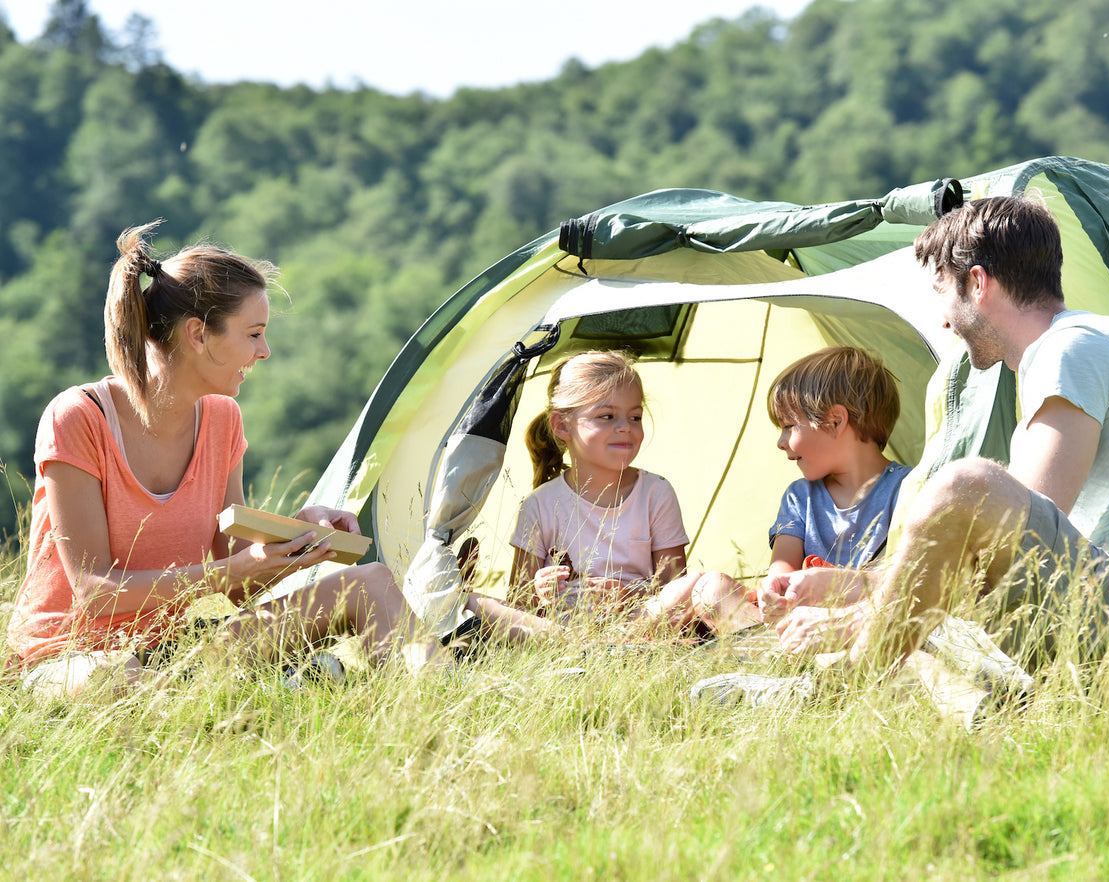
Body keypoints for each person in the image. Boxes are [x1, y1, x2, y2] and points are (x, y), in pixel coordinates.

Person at [761, 195, 1109, 670]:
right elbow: (993, 558)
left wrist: (866, 611)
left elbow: (1008, 549)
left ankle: (848, 678)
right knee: (928, 642)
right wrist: (856, 584)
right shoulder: (1085, 347)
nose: (942, 319)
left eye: (942, 293)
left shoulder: (1072, 349)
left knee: (965, 486)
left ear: (977, 283)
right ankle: (891, 687)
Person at [6, 221, 416, 697]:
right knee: (118, 679)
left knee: (372, 583)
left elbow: (236, 581)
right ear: (198, 335)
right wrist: (231, 572)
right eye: (254, 334)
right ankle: (279, 691)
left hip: (178, 650)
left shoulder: (223, 420)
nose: (264, 352)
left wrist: (298, 541)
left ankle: (432, 716)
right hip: (72, 657)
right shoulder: (77, 417)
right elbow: (93, 590)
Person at [691, 346, 913, 635]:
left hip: (862, 622)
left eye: (787, 427)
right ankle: (777, 651)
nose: (781, 442)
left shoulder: (909, 488)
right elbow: (781, 574)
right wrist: (774, 591)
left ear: (835, 422)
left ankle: (776, 654)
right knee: (710, 588)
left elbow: (911, 581)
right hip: (799, 621)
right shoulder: (799, 496)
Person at [506, 350, 703, 630]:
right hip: (562, 632)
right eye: (607, 416)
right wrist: (540, 590)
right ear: (562, 425)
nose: (625, 428)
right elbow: (519, 603)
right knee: (477, 604)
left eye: (635, 417)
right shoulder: (539, 505)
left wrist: (629, 597)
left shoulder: (656, 493)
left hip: (638, 624)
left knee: (703, 584)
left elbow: (676, 591)